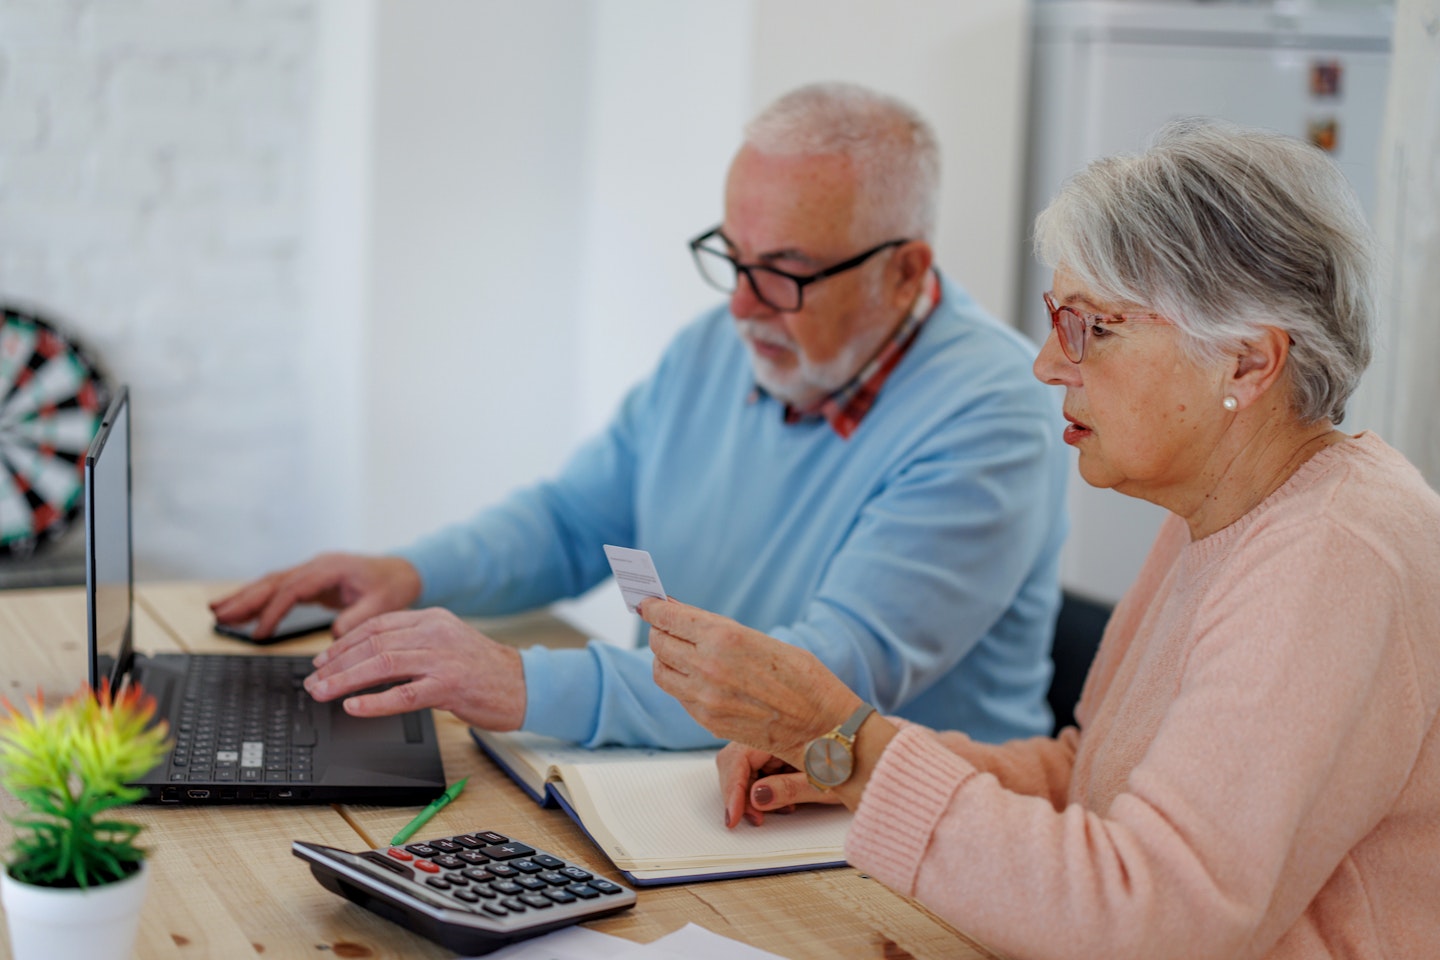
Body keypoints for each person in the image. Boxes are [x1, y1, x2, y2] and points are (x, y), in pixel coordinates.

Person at [641, 118, 1440, 958]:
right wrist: (842, 764)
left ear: (1246, 361)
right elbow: (1089, 781)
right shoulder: (1224, 512)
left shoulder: (1331, 557)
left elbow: (1150, 920)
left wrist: (845, 738)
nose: (1048, 365)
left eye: (1092, 327)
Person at [212, 82, 1069, 750]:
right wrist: (407, 572)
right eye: (732, 256)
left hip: (879, 836)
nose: (740, 306)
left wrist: (518, 682)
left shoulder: (990, 419)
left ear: (906, 272)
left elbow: (809, 686)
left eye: (783, 271)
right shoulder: (720, 346)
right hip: (698, 780)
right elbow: (574, 522)